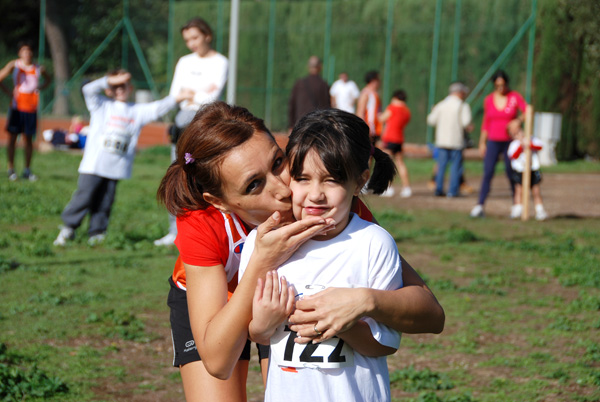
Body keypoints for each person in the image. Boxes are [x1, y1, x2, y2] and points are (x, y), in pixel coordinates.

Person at [156, 101, 444, 401]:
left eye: (278, 162)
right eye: (254, 184)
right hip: (218, 309)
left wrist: (366, 300)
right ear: (219, 201)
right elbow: (217, 362)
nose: (283, 188)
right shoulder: (202, 222)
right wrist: (261, 262)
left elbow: (431, 314)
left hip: (281, 300)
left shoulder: (324, 205)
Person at [241, 109, 402, 401]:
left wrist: (343, 323)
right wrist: (262, 323)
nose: (315, 194)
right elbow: (257, 333)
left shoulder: (374, 244)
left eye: (331, 180)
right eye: (302, 178)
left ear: (358, 182)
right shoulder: (261, 244)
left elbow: (386, 344)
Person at [53, 69, 193, 246]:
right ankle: (68, 228)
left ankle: (97, 232)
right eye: (115, 86)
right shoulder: (101, 105)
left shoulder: (136, 111)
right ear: (109, 88)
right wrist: (109, 79)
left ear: (131, 88)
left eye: (123, 86)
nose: (119, 89)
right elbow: (88, 90)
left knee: (105, 200)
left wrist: (179, 97)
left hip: (115, 167)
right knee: (84, 196)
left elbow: (158, 108)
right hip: (94, 165)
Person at [154, 17, 228, 247]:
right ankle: (174, 231)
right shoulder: (184, 61)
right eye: (187, 40)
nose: (191, 43)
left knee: (208, 178)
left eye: (195, 37)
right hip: (183, 122)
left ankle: (212, 230)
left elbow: (210, 99)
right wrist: (197, 93)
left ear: (207, 35)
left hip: (207, 122)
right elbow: (176, 94)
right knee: (179, 177)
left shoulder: (220, 62)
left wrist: (191, 93)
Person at [470, 70, 528, 218]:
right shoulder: (488, 100)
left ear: (507, 84)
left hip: (510, 141)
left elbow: (527, 111)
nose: (500, 88)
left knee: (510, 171)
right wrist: (482, 142)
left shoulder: (515, 97)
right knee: (488, 171)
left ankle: (517, 204)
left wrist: (519, 120)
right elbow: (486, 122)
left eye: (503, 85)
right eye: (497, 86)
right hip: (493, 141)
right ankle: (480, 205)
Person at [0, 41, 51, 181]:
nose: (27, 53)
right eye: (24, 51)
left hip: (31, 109)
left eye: (29, 51)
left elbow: (48, 79)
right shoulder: (14, 65)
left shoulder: (39, 68)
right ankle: (11, 169)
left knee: (28, 139)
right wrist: (9, 92)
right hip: (17, 108)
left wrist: (40, 87)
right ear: (19, 53)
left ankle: (27, 170)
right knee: (12, 139)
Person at [427, 82, 473, 198]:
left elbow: (431, 120)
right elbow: (466, 122)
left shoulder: (441, 105)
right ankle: (452, 191)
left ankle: (439, 189)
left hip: (442, 141)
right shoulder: (463, 106)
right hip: (456, 141)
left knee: (441, 166)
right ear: (459, 92)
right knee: (455, 167)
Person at [507, 130, 548, 220]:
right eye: (517, 134)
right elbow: (512, 156)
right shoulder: (514, 144)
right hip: (520, 170)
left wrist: (530, 144)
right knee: (519, 191)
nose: (520, 136)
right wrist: (521, 147)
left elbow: (540, 147)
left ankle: (540, 210)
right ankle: (518, 209)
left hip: (533, 169)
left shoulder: (533, 140)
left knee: (536, 190)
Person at [378, 89, 412, 198]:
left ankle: (388, 188)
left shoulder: (392, 107)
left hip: (390, 138)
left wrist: (378, 115)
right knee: (400, 163)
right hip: (399, 139)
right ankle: (407, 188)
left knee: (387, 163)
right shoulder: (407, 111)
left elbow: (382, 118)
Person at [288, 56, 330, 130]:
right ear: (320, 67)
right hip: (317, 125)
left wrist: (291, 125)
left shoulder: (299, 83)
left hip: (301, 124)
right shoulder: (324, 85)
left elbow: (292, 105)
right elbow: (327, 108)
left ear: (308, 67)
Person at [356, 70, 382, 145]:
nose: (380, 82)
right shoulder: (365, 94)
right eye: (378, 80)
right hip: (368, 128)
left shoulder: (375, 94)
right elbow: (360, 112)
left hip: (375, 129)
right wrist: (364, 128)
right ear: (373, 81)